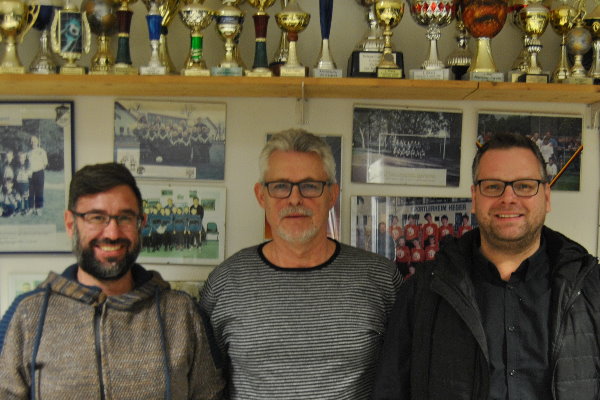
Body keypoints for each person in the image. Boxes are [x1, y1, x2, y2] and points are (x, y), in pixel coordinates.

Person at [372, 132, 600, 400]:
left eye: (525, 186)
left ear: (547, 197)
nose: (508, 198)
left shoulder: (591, 287)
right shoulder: (424, 289)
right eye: (493, 186)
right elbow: (391, 390)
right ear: (475, 197)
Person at [199, 129, 401, 400]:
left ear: (332, 194)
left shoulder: (381, 278)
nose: (295, 199)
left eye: (309, 185)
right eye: (281, 185)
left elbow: (404, 377)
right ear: (261, 195)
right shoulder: (226, 281)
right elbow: (205, 385)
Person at [0, 162, 225, 400]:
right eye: (96, 217)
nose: (112, 233)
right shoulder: (27, 314)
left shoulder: (184, 315)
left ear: (142, 223)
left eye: (125, 218)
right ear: (70, 223)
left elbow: (211, 394)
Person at [27, 136, 48, 215]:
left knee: (39, 191)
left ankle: (39, 208)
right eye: (31, 141)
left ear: (37, 142)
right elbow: (27, 164)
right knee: (30, 191)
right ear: (30, 143)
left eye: (34, 141)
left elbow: (45, 163)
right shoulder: (28, 153)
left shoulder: (42, 151)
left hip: (39, 173)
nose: (33, 143)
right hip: (30, 174)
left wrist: (39, 170)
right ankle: (31, 208)